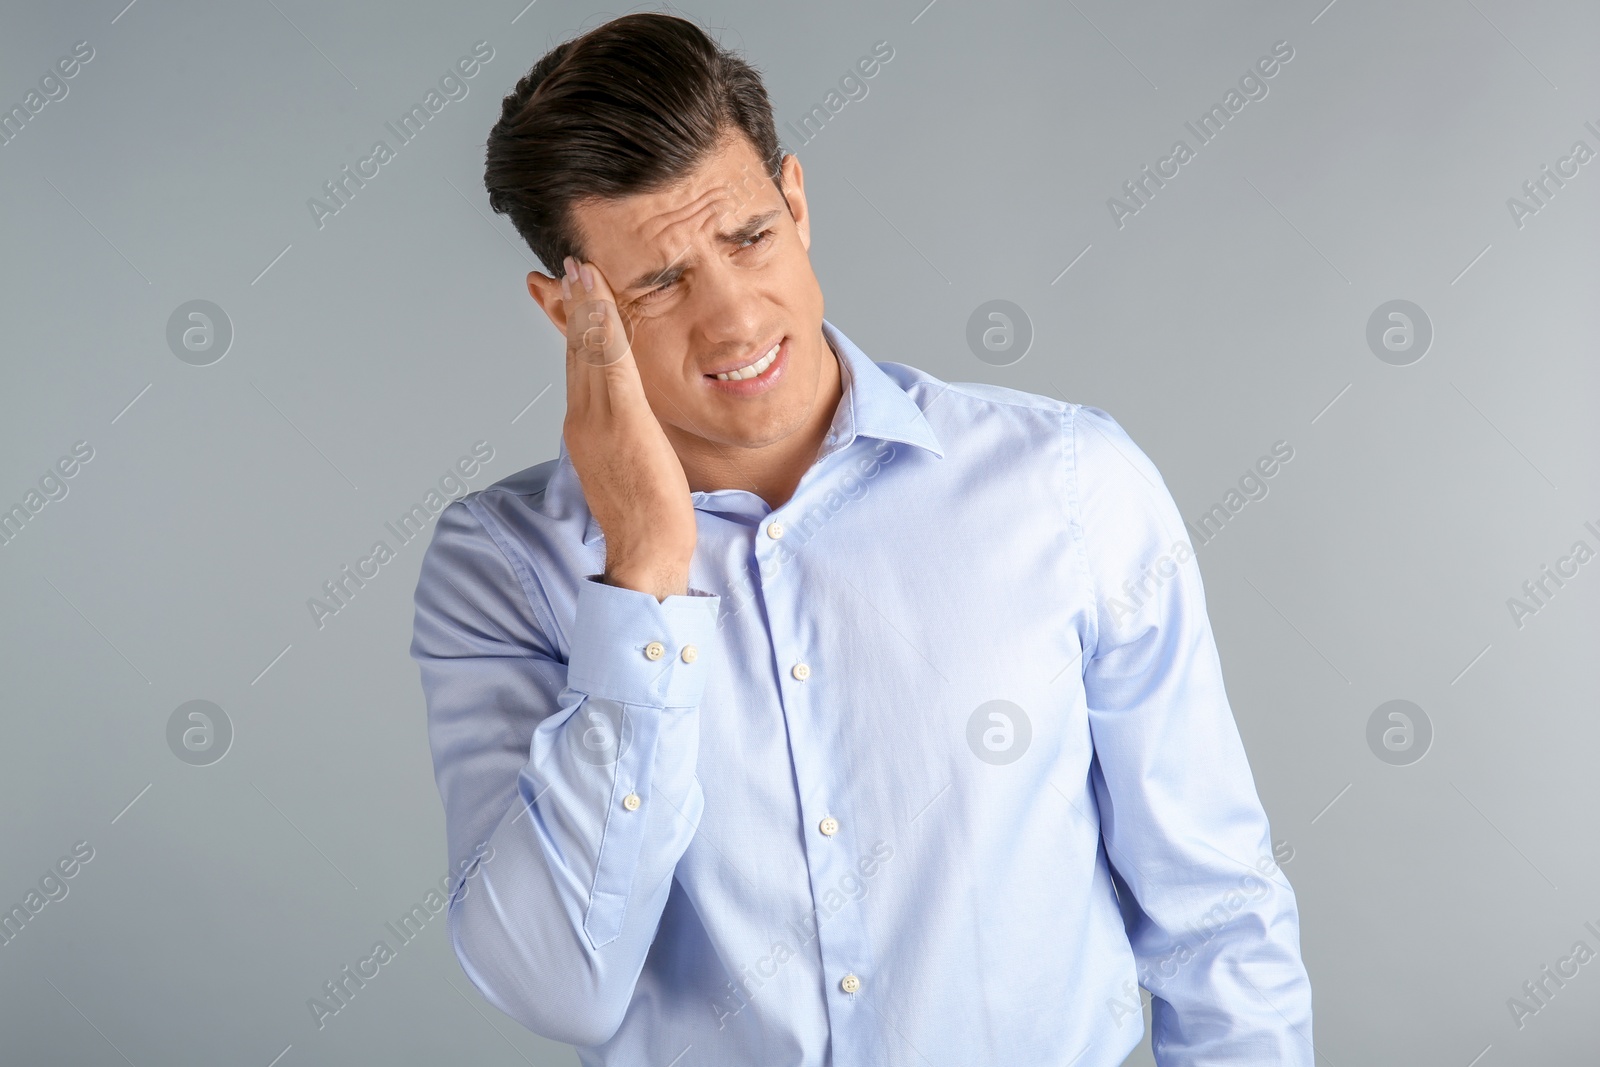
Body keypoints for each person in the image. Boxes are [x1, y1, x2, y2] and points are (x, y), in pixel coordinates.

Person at [409, 12, 1313, 1065]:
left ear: (795, 203)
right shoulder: (499, 568)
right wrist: (644, 575)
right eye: (658, 282)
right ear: (570, 314)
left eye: (748, 237)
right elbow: (556, 981)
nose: (735, 319)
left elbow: (1213, 911)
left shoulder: (1069, 484)